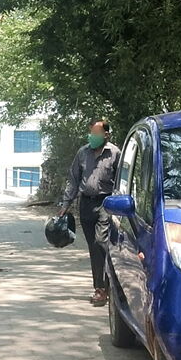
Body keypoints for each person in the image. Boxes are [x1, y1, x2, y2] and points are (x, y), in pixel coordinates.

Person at [59, 119, 121, 306]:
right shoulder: (82, 153)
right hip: (85, 204)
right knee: (93, 247)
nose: (92, 137)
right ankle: (102, 285)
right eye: (91, 133)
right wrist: (65, 204)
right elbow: (73, 179)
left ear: (106, 135)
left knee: (100, 242)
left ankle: (102, 289)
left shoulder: (115, 153)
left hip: (106, 203)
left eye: (96, 133)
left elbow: (122, 182)